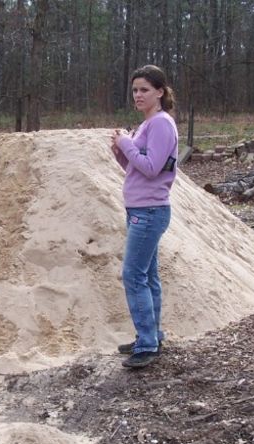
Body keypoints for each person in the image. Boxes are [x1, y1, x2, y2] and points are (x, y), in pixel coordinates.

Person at [109, 65, 178, 368]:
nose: (138, 95)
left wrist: (126, 143)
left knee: (133, 275)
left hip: (150, 210)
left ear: (160, 92)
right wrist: (121, 152)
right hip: (140, 207)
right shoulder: (148, 124)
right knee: (147, 276)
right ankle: (150, 335)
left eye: (144, 90)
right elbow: (139, 170)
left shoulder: (161, 124)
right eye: (135, 90)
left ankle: (148, 344)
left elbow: (151, 168)